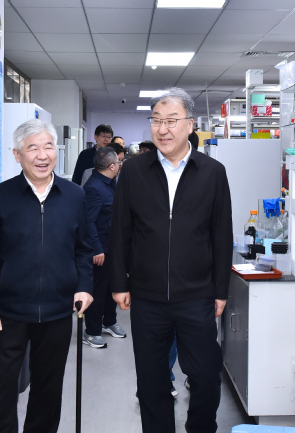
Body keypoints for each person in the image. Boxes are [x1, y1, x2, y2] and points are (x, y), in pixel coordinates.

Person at [110, 87, 233, 433]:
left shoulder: (212, 171)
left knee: (206, 375)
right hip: (147, 296)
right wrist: (119, 282)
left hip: (197, 295)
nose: (162, 129)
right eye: (156, 121)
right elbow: (120, 230)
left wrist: (220, 289)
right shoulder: (134, 171)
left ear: (190, 124)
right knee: (151, 381)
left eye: (171, 121)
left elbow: (221, 234)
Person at [0, 119, 94, 433]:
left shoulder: (74, 195)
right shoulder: (0, 197)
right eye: (33, 148)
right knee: (3, 387)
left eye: (48, 147)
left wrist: (84, 287)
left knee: (48, 387)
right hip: (9, 312)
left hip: (57, 309)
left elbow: (84, 249)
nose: (42, 155)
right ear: (17, 155)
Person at [81, 146, 126, 348]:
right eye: (118, 162)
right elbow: (88, 222)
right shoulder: (94, 188)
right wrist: (96, 248)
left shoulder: (110, 183)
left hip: (112, 247)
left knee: (110, 289)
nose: (120, 165)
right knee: (98, 292)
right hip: (100, 250)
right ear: (111, 166)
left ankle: (109, 322)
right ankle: (91, 332)